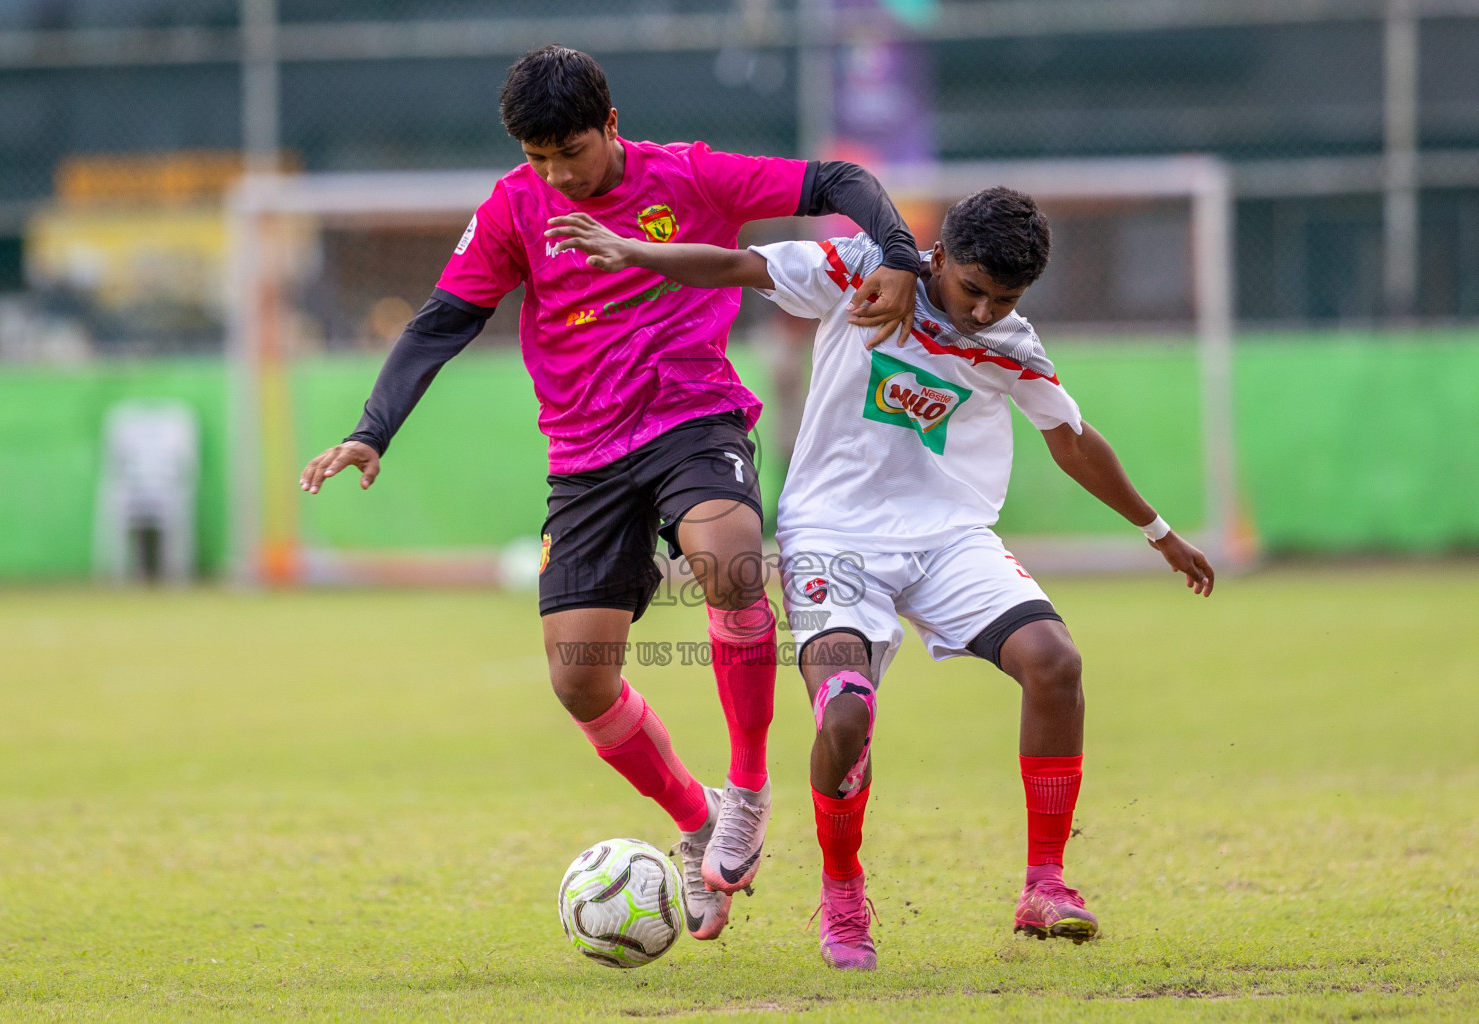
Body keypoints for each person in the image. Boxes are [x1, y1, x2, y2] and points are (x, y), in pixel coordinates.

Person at [298, 45, 923, 942]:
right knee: (580, 682)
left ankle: (747, 789)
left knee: (732, 562)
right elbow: (444, 320)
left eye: (571, 152)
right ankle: (695, 813)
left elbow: (837, 179)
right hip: (586, 456)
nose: (555, 173)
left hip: (691, 419)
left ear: (612, 126)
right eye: (536, 156)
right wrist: (373, 427)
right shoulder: (515, 207)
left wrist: (897, 252)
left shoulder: (692, 177)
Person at [543, 186, 1215, 968]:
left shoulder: (1013, 343)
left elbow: (1071, 438)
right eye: (973, 290)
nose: (984, 312)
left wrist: (1159, 531)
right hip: (832, 537)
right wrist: (636, 252)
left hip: (947, 538)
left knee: (1055, 661)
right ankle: (842, 890)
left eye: (1006, 298)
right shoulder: (857, 270)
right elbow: (736, 263)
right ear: (937, 257)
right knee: (844, 719)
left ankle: (1045, 882)